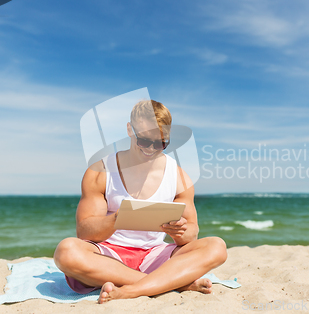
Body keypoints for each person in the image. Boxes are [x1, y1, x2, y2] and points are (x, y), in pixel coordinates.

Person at [54, 99, 227, 303]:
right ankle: (174, 284)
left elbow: (191, 235)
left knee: (217, 246)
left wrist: (180, 231)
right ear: (130, 129)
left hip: (156, 255)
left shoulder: (180, 177)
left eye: (161, 143)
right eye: (144, 140)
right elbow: (84, 232)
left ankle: (131, 290)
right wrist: (118, 218)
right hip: (109, 257)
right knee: (66, 252)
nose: (152, 148)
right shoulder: (100, 171)